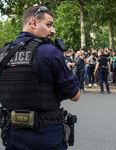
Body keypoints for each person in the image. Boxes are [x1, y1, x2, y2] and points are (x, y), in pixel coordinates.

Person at [0, 6, 80, 150]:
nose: (53, 31)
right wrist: (66, 67)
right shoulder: (50, 51)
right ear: (34, 23)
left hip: (14, 133)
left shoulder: (4, 53)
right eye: (49, 25)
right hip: (47, 135)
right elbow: (75, 95)